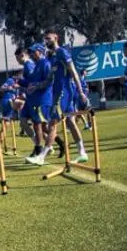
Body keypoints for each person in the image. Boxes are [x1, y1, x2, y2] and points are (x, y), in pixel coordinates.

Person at [41, 32, 89, 164]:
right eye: (45, 39)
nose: (46, 41)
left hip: (65, 92)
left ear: (56, 38)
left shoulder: (62, 52)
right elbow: (50, 78)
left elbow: (73, 72)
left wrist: (81, 91)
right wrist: (37, 86)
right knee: (70, 122)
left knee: (52, 123)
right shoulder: (51, 57)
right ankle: (82, 152)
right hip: (56, 92)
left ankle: (41, 156)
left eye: (48, 39)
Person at [22, 44, 52, 165]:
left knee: (41, 126)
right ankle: (40, 150)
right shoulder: (37, 65)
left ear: (40, 52)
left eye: (34, 52)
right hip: (35, 100)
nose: (32, 54)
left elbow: (49, 81)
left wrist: (36, 86)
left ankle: (41, 153)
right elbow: (32, 81)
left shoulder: (45, 64)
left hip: (43, 99)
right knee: (37, 125)